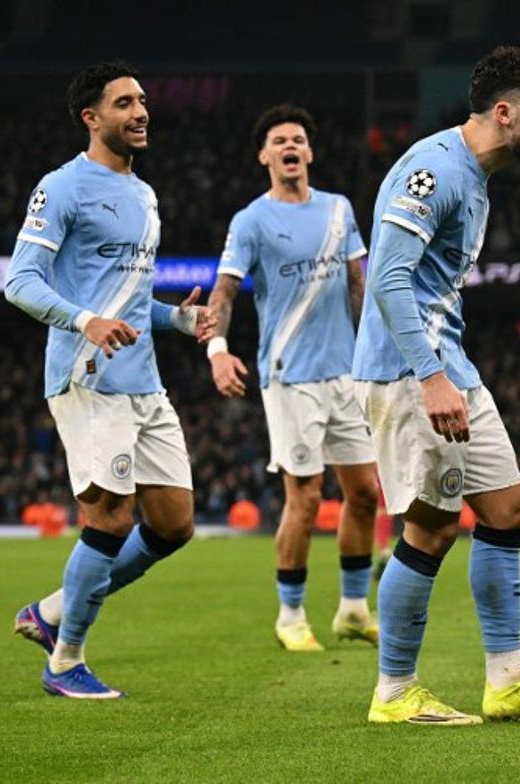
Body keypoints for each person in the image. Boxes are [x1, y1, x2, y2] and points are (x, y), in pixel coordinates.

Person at [352, 45, 520, 725]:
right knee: (431, 528)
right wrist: (430, 377)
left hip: (448, 366)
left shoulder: (476, 177)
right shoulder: (434, 170)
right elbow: (388, 279)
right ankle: (395, 692)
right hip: (411, 372)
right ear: (505, 111)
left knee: (507, 509)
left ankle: (508, 680)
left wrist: (445, 371)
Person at [7, 61, 215, 698]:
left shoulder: (145, 194)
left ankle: (51, 611)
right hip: (87, 376)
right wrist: (85, 321)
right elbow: (20, 282)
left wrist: (177, 319)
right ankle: (65, 661)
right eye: (124, 102)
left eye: (143, 100)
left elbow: (131, 302)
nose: (141, 111)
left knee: (174, 524)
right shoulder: (62, 187)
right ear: (91, 117)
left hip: (143, 380)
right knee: (111, 516)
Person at [207, 104, 380, 652]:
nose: (290, 146)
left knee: (365, 493)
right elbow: (225, 292)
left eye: (298, 139)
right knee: (304, 500)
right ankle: (290, 615)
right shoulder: (251, 221)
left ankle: (353, 609)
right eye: (279, 140)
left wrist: (374, 352)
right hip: (289, 377)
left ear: (310, 152)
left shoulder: (338, 209)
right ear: (264, 156)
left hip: (345, 374)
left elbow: (358, 285)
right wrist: (217, 350)